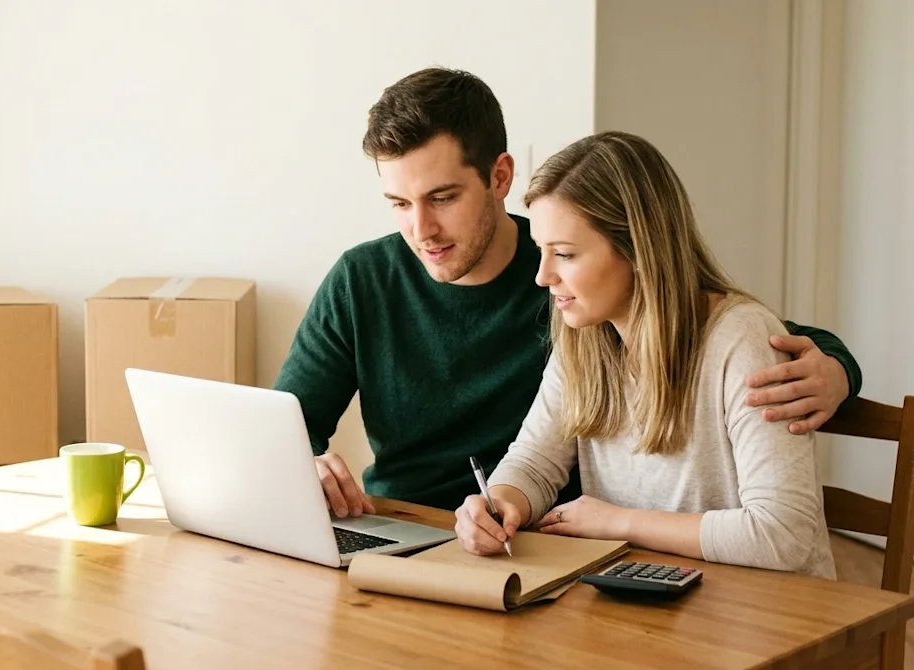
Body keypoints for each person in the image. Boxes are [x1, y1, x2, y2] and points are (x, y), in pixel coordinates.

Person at [272, 66, 862, 517]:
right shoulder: (362, 278)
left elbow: (715, 321)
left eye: (443, 198)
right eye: (400, 204)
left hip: (543, 540)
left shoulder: (571, 271)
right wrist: (307, 469)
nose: (420, 231)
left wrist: (836, 366)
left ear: (500, 177)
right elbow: (288, 424)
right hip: (406, 525)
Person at [453, 130, 835, 578]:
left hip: (774, 616)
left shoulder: (741, 340)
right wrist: (500, 502)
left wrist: (618, 524)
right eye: (542, 251)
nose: (542, 276)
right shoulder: (584, 337)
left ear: (637, 249)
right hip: (650, 601)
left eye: (566, 254)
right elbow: (535, 462)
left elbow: (783, 536)